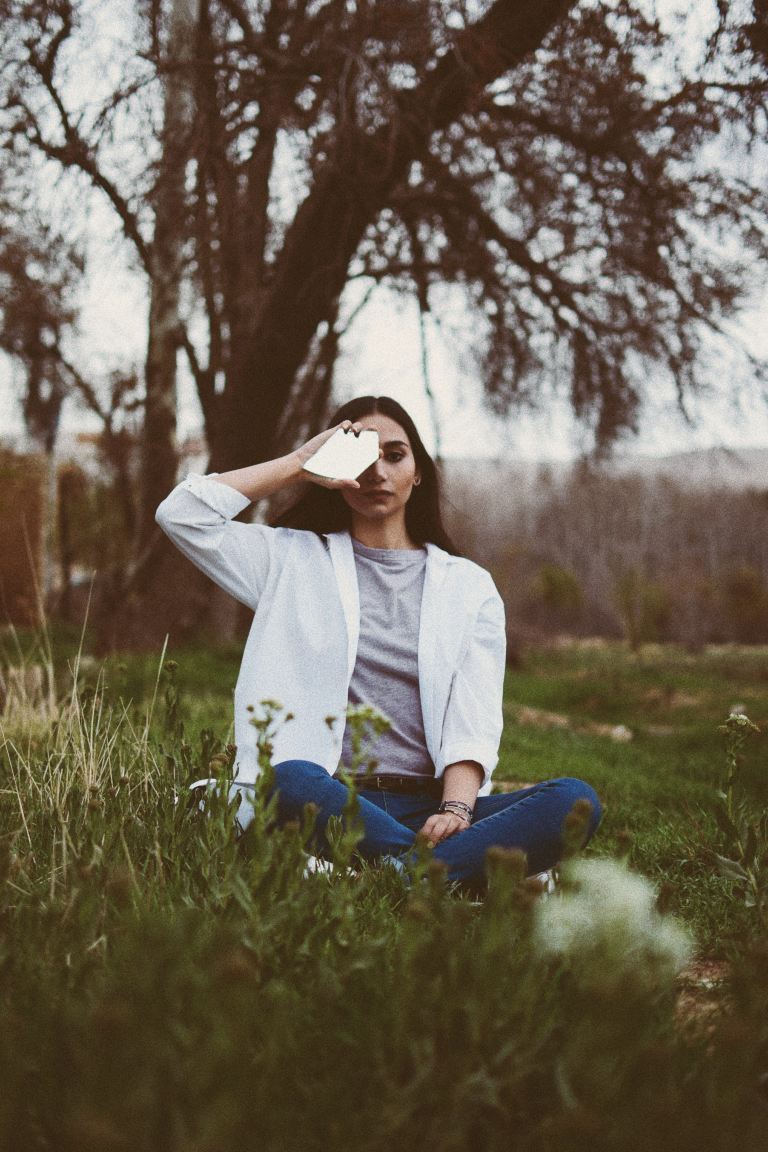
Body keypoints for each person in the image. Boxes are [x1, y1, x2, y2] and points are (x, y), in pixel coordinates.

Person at [155, 395, 601, 888]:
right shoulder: (291, 559)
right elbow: (183, 515)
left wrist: (456, 810)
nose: (377, 471)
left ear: (418, 472)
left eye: (394, 454)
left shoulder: (468, 586)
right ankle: (451, 876)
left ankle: (396, 874)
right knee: (288, 778)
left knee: (574, 800)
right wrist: (299, 464)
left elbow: (471, 721)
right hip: (327, 802)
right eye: (361, 455)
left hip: (428, 809)